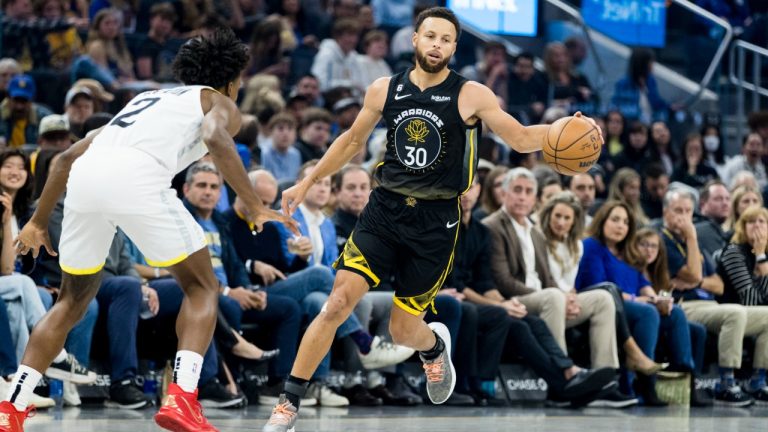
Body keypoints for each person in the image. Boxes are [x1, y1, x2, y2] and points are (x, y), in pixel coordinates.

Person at [262, 7, 603, 432]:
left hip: (436, 222)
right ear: (416, 40)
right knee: (336, 302)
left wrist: (560, 130)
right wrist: (306, 180)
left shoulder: (472, 94)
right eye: (430, 36)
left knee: (404, 330)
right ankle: (288, 404)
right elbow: (351, 141)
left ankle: (432, 348)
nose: (437, 44)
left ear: (454, 48)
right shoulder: (383, 90)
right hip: (383, 210)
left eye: (446, 39)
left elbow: (517, 137)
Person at [1, 28, 297, 432]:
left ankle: (11, 407)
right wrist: (257, 204)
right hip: (137, 179)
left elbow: (66, 159)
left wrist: (38, 221)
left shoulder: (144, 99)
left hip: (87, 180)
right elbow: (214, 135)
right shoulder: (218, 100)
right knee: (203, 288)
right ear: (232, 77)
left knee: (70, 302)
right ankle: (183, 399)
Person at [720, 206, 768, 306]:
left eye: (761, 221)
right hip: (737, 310)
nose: (757, 225)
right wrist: (760, 256)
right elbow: (750, 300)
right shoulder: (733, 252)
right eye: (751, 222)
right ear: (743, 228)